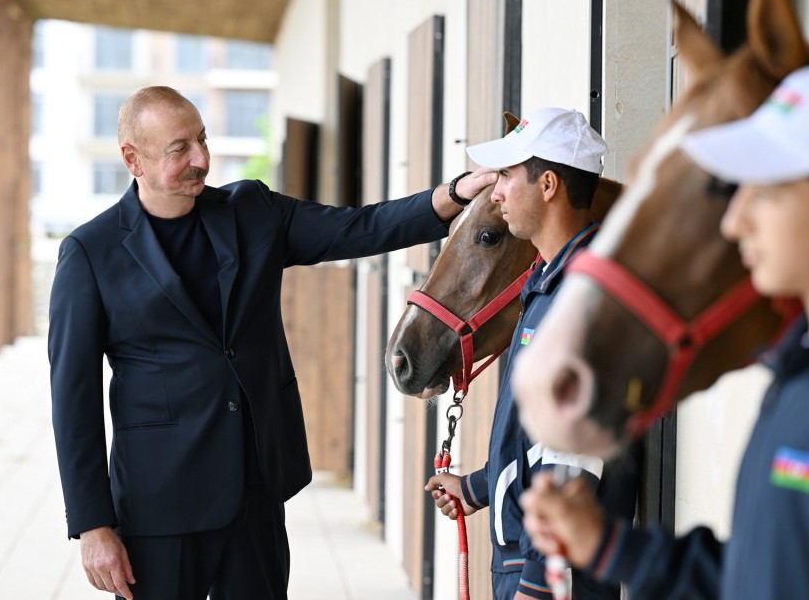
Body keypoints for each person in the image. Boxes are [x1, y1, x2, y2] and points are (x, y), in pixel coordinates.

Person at [47, 85, 497, 600]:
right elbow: (72, 400)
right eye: (179, 149)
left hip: (255, 489)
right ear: (133, 159)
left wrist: (455, 194)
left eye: (202, 139)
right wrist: (92, 526)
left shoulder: (251, 211)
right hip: (159, 503)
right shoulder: (90, 252)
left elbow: (358, 227)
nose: (201, 159)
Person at [519, 64, 809, 599]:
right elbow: (760, 572)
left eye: (768, 191)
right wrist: (607, 546)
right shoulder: (801, 369)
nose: (734, 220)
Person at [423, 107, 640, 600]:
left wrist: (540, 586)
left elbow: (574, 465)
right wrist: (477, 487)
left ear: (547, 186)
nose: (495, 193)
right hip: (526, 564)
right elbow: (540, 439)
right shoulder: (549, 283)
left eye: (504, 177)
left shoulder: (586, 299)